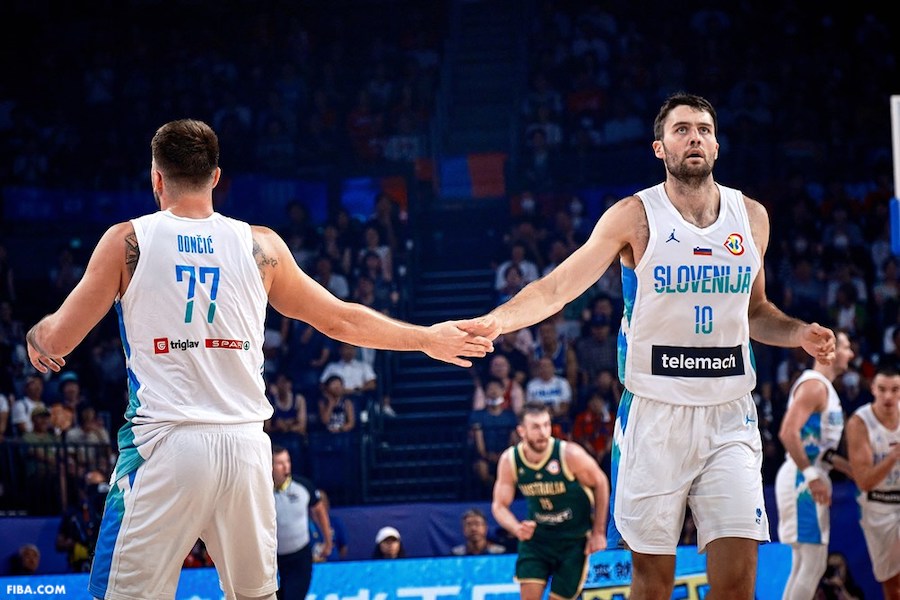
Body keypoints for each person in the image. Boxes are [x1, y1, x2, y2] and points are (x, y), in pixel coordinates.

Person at [24, 119, 493, 600]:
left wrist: (36, 335)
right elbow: (340, 321)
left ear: (156, 178)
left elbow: (58, 340)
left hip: (165, 445)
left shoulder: (129, 241)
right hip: (246, 450)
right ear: (215, 177)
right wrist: (425, 338)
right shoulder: (261, 246)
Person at [463, 93, 837, 599]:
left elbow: (755, 313)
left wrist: (797, 333)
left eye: (704, 129)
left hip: (730, 414)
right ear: (659, 147)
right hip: (655, 414)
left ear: (717, 145)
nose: (695, 138)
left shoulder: (751, 217)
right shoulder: (635, 217)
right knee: (653, 584)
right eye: (682, 130)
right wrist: (498, 320)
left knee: (738, 581)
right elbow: (556, 288)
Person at [492, 402, 609, 600]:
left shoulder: (569, 454)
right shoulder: (510, 460)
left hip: (573, 539)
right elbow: (499, 506)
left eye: (546, 425)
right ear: (521, 431)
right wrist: (516, 528)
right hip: (537, 539)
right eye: (536, 427)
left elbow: (601, 483)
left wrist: (598, 532)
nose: (543, 432)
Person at [775, 330, 855, 600]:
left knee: (804, 564)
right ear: (827, 350)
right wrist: (811, 476)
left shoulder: (825, 389)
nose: (851, 354)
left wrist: (853, 471)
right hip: (802, 479)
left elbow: (821, 451)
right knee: (812, 563)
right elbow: (788, 432)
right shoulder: (814, 386)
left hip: (807, 475)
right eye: (845, 347)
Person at [845, 365, 900, 599]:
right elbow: (864, 481)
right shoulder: (860, 422)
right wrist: (893, 457)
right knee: (892, 586)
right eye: (883, 389)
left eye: (895, 389)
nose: (888, 396)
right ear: (872, 389)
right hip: (878, 506)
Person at [272, 445, 331, 600]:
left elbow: (320, 513)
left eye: (288, 461)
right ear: (268, 465)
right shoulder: (258, 490)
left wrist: (328, 542)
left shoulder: (303, 486)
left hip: (299, 556)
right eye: (279, 463)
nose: (286, 466)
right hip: (270, 558)